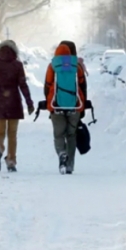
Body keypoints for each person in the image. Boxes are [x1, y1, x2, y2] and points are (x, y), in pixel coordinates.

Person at [0, 40, 34, 173]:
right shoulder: (17, 65)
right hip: (14, 103)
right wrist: (29, 102)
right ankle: (11, 161)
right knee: (12, 134)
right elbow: (23, 85)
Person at [44, 44, 86, 175]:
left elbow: (47, 84)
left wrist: (48, 102)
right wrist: (83, 106)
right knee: (71, 135)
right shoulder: (76, 66)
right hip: (75, 105)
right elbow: (82, 85)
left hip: (56, 105)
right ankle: (70, 165)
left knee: (59, 134)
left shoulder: (52, 66)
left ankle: (62, 153)